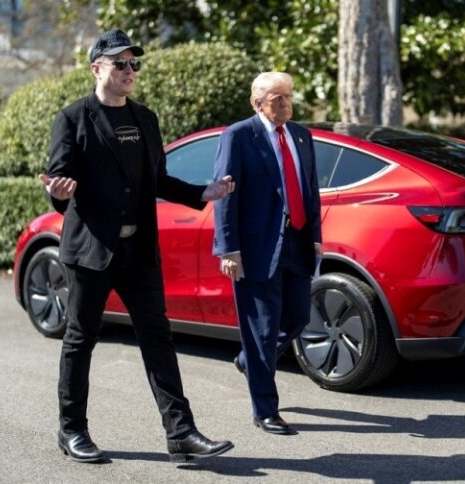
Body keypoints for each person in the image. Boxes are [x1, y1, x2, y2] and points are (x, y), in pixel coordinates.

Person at [40, 28, 235, 464]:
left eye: (134, 64)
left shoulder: (145, 118)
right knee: (80, 339)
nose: (130, 71)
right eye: (120, 63)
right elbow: (59, 178)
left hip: (138, 250)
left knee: (158, 337)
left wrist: (203, 192)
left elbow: (158, 179)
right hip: (91, 250)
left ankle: (181, 434)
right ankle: (71, 430)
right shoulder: (73, 118)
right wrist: (59, 192)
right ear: (97, 68)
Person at [213, 72, 323, 435]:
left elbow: (310, 189)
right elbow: (225, 193)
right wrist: (229, 249)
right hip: (256, 247)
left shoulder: (302, 135)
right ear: (257, 102)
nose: (285, 104)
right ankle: (265, 410)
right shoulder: (239, 135)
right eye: (277, 98)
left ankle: (250, 361)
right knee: (260, 330)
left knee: (297, 318)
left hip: (297, 241)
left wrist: (317, 237)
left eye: (289, 97)